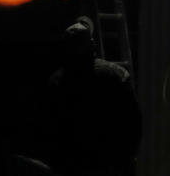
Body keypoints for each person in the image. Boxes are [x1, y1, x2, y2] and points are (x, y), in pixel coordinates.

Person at [41, 17, 142, 176]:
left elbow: (49, 131)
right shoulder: (116, 74)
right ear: (93, 45)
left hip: (73, 167)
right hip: (111, 166)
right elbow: (134, 122)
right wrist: (126, 159)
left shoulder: (56, 82)